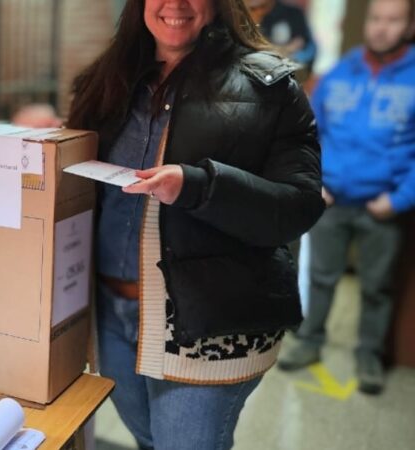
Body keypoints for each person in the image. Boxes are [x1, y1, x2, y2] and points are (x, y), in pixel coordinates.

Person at [67, 0, 323, 448]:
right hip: (113, 311)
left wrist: (199, 187)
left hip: (209, 320)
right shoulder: (107, 80)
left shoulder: (270, 87)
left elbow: (298, 207)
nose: (175, 4)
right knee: (149, 439)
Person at [278, 0, 415, 395]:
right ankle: (310, 342)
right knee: (320, 279)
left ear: (407, 27)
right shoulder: (341, 71)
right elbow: (308, 133)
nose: (381, 28)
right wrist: (314, 181)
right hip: (331, 199)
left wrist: (400, 198)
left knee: (376, 287)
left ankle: (369, 355)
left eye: (393, 21)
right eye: (376, 19)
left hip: (384, 207)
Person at [247, 0, 317, 72]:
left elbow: (301, 42)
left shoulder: (292, 12)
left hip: (289, 64)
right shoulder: (247, 16)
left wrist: (280, 51)